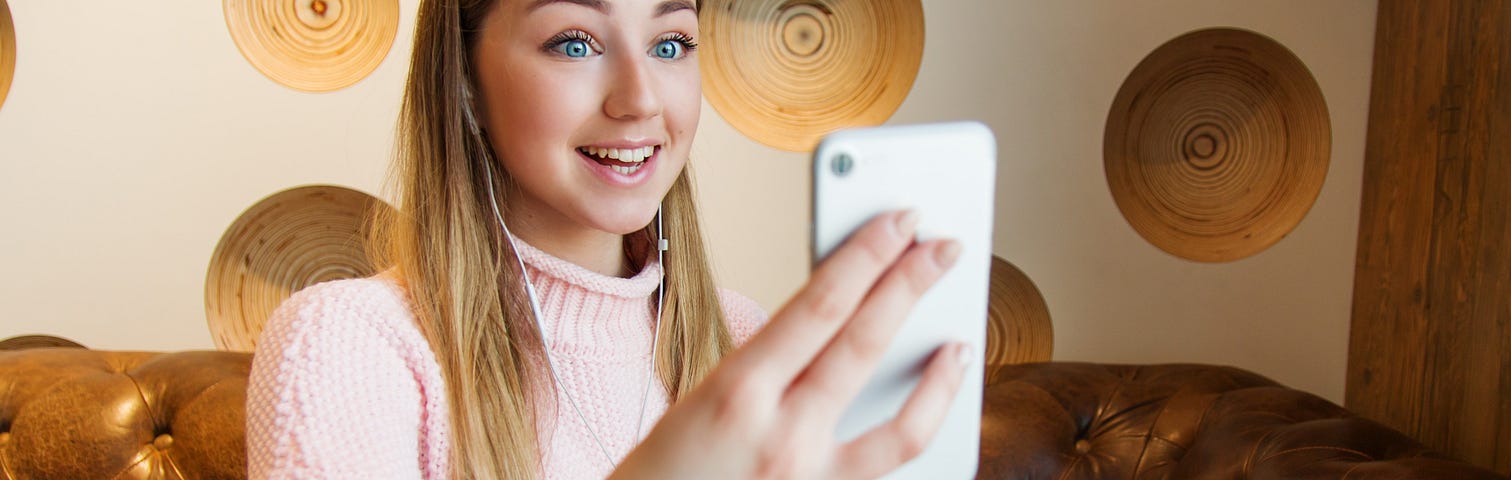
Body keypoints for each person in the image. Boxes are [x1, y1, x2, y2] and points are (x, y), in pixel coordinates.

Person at [245, 0, 970, 478]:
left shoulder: (745, 342)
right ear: (465, 83)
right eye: (575, 42)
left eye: (671, 43)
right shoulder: (350, 344)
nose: (641, 98)